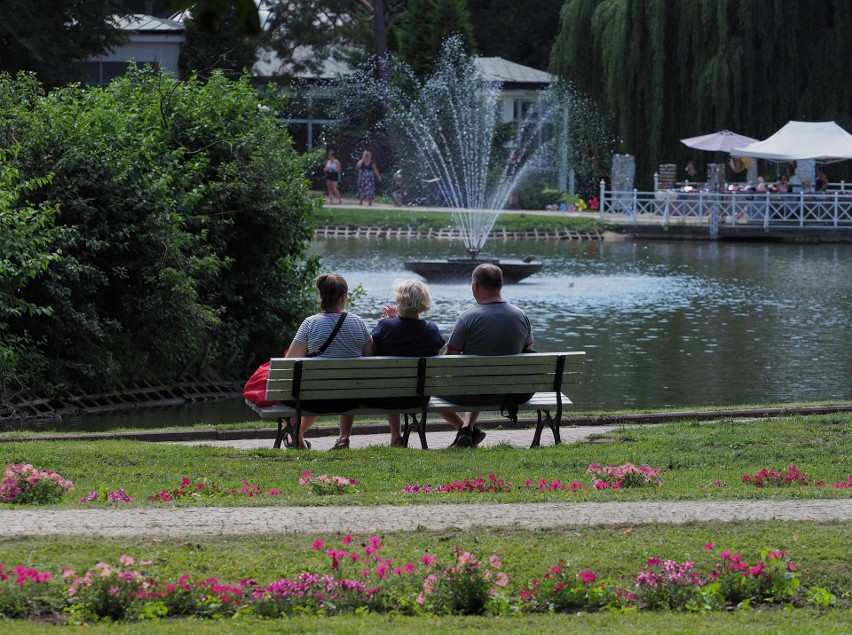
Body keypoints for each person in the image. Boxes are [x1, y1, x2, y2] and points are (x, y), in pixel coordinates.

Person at [442, 263, 535, 448]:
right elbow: (529, 352)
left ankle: (466, 430)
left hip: (472, 394)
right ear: (501, 285)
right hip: (511, 394)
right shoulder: (521, 316)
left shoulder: (467, 318)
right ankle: (467, 430)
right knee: (476, 380)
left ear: (475, 286)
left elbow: (448, 361)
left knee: (443, 386)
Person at [370, 279, 463, 446]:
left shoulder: (386, 326)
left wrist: (387, 322)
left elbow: (371, 351)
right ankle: (465, 429)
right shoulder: (432, 329)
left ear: (400, 300)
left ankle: (396, 436)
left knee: (392, 381)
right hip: (420, 397)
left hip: (388, 395)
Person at [285, 273, 373, 450]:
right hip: (350, 400)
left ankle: (296, 437)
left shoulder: (310, 323)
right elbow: (370, 359)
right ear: (343, 297)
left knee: (299, 391)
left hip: (315, 399)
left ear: (322, 296)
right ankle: (344, 438)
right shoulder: (358, 323)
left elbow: (290, 363)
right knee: (348, 382)